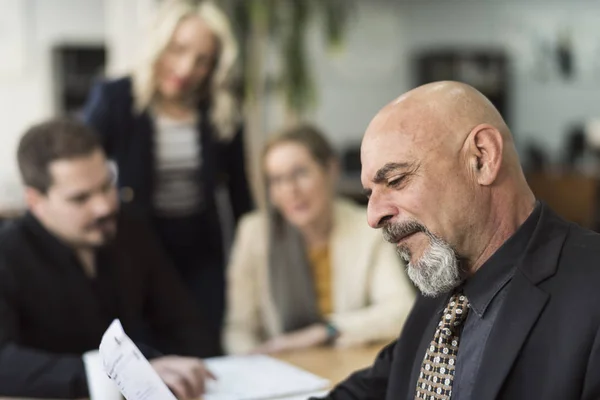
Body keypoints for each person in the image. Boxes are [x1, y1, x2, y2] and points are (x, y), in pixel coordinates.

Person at [316, 81, 600, 400]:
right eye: (370, 194)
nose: (372, 216)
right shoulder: (443, 275)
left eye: (395, 180)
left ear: (482, 157)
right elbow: (381, 384)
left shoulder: (591, 293)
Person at [0, 118, 216, 399]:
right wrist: (115, 375)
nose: (103, 207)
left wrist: (197, 369)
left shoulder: (131, 228)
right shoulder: (6, 255)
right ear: (35, 201)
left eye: (106, 186)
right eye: (80, 199)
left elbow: (182, 321)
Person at [82, 0, 253, 354]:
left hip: (201, 247)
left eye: (203, 59)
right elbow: (81, 162)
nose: (187, 67)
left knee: (204, 341)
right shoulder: (117, 98)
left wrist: (247, 251)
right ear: (160, 44)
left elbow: (240, 193)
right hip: (136, 241)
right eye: (178, 50)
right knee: (145, 347)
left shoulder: (220, 107)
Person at [224, 124, 415, 355]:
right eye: (276, 180)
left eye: (300, 173)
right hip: (281, 370)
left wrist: (327, 331)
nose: (290, 190)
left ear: (331, 170)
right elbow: (238, 329)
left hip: (348, 366)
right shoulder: (253, 234)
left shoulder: (367, 228)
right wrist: (255, 366)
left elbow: (401, 310)